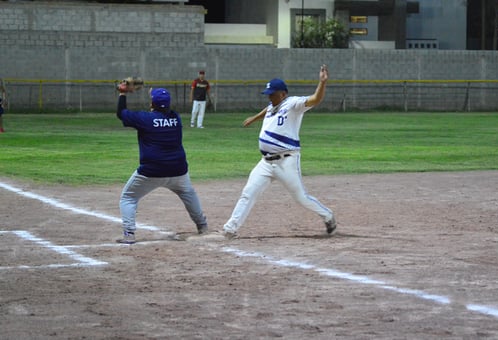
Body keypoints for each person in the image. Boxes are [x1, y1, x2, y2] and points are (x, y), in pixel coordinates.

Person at [220, 65, 336, 239]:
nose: (270, 97)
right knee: (248, 193)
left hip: (286, 161)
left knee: (300, 198)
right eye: (268, 94)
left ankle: (328, 216)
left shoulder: (293, 104)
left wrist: (322, 83)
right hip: (266, 163)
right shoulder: (273, 106)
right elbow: (268, 109)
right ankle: (230, 229)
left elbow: (314, 100)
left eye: (273, 94)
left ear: (283, 93)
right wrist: (254, 118)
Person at [115, 81, 208, 244]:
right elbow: (162, 112)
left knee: (128, 197)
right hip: (178, 170)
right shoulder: (176, 118)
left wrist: (123, 93)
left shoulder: (145, 119)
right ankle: (203, 227)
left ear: (152, 104)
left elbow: (121, 113)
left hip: (152, 171)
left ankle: (129, 234)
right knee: (188, 194)